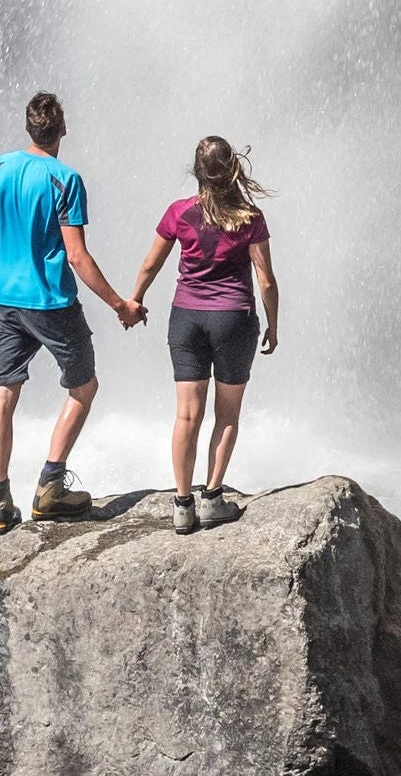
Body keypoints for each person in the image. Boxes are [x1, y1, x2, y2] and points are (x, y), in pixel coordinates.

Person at [0, 91, 147, 532]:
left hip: (8, 300)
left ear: (27, 127)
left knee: (5, 393)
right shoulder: (64, 179)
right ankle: (50, 485)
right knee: (84, 386)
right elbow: (77, 256)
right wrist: (119, 305)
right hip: (51, 302)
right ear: (63, 129)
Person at [130, 136, 279, 535]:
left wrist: (134, 300)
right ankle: (212, 498)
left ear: (197, 172)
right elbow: (265, 280)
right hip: (233, 319)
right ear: (233, 169)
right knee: (226, 414)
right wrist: (274, 323)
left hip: (187, 319)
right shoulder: (249, 217)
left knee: (186, 415)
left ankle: (182, 505)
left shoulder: (180, 213)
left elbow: (150, 264)